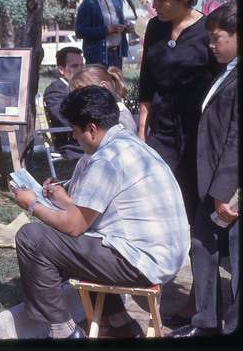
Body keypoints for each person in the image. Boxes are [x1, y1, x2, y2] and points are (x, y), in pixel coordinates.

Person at [12, 86, 189, 339]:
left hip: (143, 262)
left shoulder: (106, 158)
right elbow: (91, 214)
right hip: (165, 256)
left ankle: (62, 332)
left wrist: (32, 204)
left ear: (92, 129)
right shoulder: (132, 144)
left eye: (75, 131)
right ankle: (120, 322)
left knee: (32, 237)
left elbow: (74, 227)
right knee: (80, 240)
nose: (74, 139)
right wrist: (62, 202)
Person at [136, 0, 220, 326]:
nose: (155, 5)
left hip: (199, 136)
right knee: (161, 215)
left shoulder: (210, 31)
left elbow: (222, 88)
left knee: (198, 222)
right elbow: (146, 85)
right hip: (162, 136)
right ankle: (153, 279)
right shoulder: (155, 27)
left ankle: (200, 300)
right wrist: (142, 132)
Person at [170, 2, 238, 338]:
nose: (210, 45)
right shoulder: (227, 70)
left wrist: (224, 193)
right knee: (202, 247)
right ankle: (206, 321)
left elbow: (238, 140)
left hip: (230, 188)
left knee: (237, 261)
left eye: (217, 38)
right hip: (212, 183)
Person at [74, 0, 133, 69]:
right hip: (98, 57)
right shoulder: (87, 4)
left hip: (117, 55)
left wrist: (126, 27)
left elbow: (119, 21)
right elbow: (80, 31)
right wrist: (108, 29)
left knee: (116, 85)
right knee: (100, 85)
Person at [42, 46, 84, 159]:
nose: (80, 70)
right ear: (61, 69)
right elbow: (63, 117)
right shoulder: (55, 90)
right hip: (73, 144)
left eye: (82, 65)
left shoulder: (83, 86)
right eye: (74, 66)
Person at [68, 64, 137, 133]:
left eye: (85, 96)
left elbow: (129, 140)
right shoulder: (100, 116)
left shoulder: (121, 115)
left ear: (103, 88)